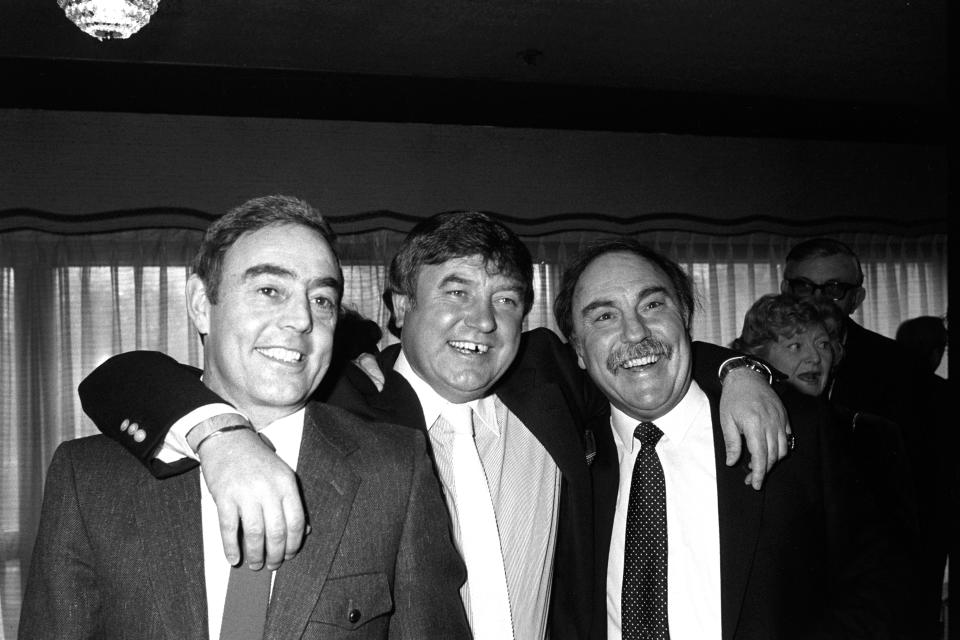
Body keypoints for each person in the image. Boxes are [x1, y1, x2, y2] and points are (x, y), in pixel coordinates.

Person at [77, 212, 790, 639]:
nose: (484, 321)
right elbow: (124, 379)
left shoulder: (550, 387)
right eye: (455, 292)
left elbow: (636, 344)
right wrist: (219, 433)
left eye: (507, 300)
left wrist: (739, 372)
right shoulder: (339, 399)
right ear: (395, 307)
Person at [20, 195, 470, 639]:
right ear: (201, 302)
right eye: (269, 290)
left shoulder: (393, 471)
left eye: (321, 300)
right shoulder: (89, 480)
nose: (301, 320)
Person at [554, 238, 899, 639]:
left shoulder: (798, 428)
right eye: (604, 317)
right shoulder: (567, 460)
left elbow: (878, 588)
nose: (635, 333)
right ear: (578, 349)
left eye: (652, 305)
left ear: (684, 315)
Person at [782, 237, 949, 638]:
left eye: (834, 288)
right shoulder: (753, 361)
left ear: (857, 296)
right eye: (804, 285)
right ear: (786, 288)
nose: (816, 298)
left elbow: (929, 500)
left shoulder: (903, 370)